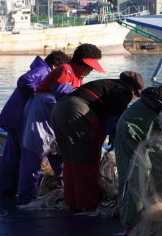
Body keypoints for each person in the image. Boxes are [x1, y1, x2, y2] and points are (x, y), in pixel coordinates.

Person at [18, 43, 103, 205]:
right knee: (33, 160)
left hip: (56, 119)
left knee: (61, 160)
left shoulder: (78, 77)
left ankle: (68, 194)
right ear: (83, 63)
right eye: (91, 67)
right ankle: (25, 200)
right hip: (40, 118)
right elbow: (65, 96)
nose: (92, 70)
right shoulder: (65, 70)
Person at [52, 71, 145, 212]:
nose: (132, 98)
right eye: (135, 95)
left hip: (59, 108)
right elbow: (114, 118)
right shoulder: (123, 91)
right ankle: (87, 205)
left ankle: (71, 202)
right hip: (77, 111)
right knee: (86, 161)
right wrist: (115, 136)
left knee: (70, 160)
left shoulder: (108, 84)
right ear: (133, 88)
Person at [0, 51, 70, 196]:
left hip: (17, 118)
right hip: (22, 119)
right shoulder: (43, 71)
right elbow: (24, 80)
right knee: (21, 157)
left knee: (12, 156)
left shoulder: (44, 71)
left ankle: (6, 190)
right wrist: (36, 95)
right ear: (55, 66)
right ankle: (18, 192)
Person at [115, 84, 162, 233]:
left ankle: (149, 215)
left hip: (151, 136)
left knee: (159, 172)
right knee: (135, 175)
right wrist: (161, 110)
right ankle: (130, 223)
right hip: (130, 131)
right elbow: (148, 93)